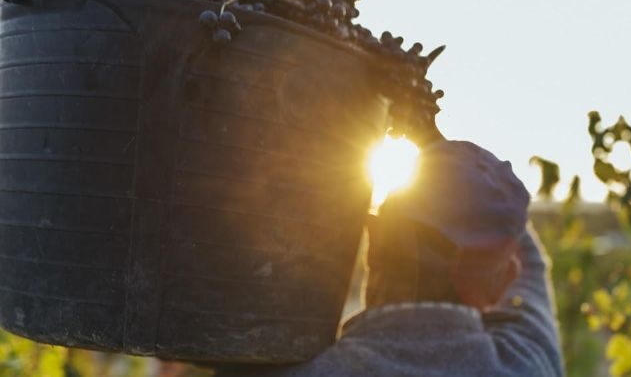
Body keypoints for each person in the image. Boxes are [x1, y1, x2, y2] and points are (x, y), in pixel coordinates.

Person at [214, 126, 564, 377]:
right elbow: (527, 260)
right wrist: (433, 140)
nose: (516, 270)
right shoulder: (526, 364)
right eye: (507, 261)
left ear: (373, 247)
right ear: (495, 281)